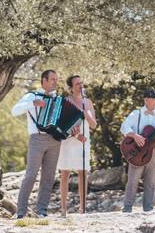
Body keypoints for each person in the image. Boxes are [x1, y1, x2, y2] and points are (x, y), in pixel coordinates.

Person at [11, 69, 76, 218]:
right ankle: (20, 212)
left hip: (54, 140)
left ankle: (41, 211)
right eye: (53, 79)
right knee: (31, 175)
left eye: (56, 79)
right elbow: (14, 111)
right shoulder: (31, 96)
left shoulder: (58, 100)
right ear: (44, 81)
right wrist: (32, 104)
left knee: (48, 177)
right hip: (37, 139)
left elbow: (63, 122)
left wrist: (71, 129)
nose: (55, 82)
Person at [57, 75, 97, 215]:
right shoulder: (66, 101)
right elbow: (60, 124)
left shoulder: (88, 102)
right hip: (69, 140)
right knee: (65, 173)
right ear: (71, 87)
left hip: (84, 140)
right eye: (77, 83)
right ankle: (63, 208)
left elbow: (93, 125)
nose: (81, 85)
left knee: (83, 173)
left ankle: (82, 207)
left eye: (82, 83)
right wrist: (75, 135)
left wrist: (86, 113)